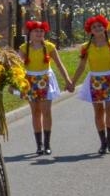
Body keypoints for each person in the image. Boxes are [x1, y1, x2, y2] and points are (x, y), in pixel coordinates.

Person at [68, 14, 110, 154]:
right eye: (94, 27)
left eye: (100, 26)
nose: (98, 28)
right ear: (90, 30)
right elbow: (81, 66)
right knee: (99, 112)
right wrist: (72, 82)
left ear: (105, 27)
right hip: (95, 81)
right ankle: (103, 142)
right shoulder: (85, 47)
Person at [19, 20, 73, 155]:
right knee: (35, 112)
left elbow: (60, 65)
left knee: (46, 111)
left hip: (45, 80)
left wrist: (68, 80)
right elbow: (18, 67)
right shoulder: (24, 48)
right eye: (35, 31)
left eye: (41, 31)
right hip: (30, 80)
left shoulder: (49, 47)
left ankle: (47, 144)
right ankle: (39, 145)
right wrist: (15, 84)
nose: (38, 33)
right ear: (29, 33)